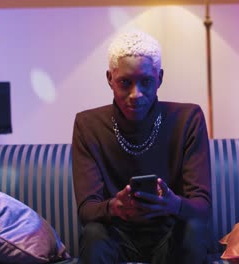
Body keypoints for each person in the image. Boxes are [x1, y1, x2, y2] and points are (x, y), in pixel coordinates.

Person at [71, 30, 212, 264]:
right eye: (125, 83)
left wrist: (172, 204)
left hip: (171, 236)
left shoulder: (188, 118)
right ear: (109, 79)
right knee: (93, 235)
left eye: (146, 82)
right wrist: (114, 207)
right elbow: (87, 211)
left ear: (160, 78)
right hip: (117, 238)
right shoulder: (88, 125)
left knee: (194, 230)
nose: (136, 94)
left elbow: (202, 207)